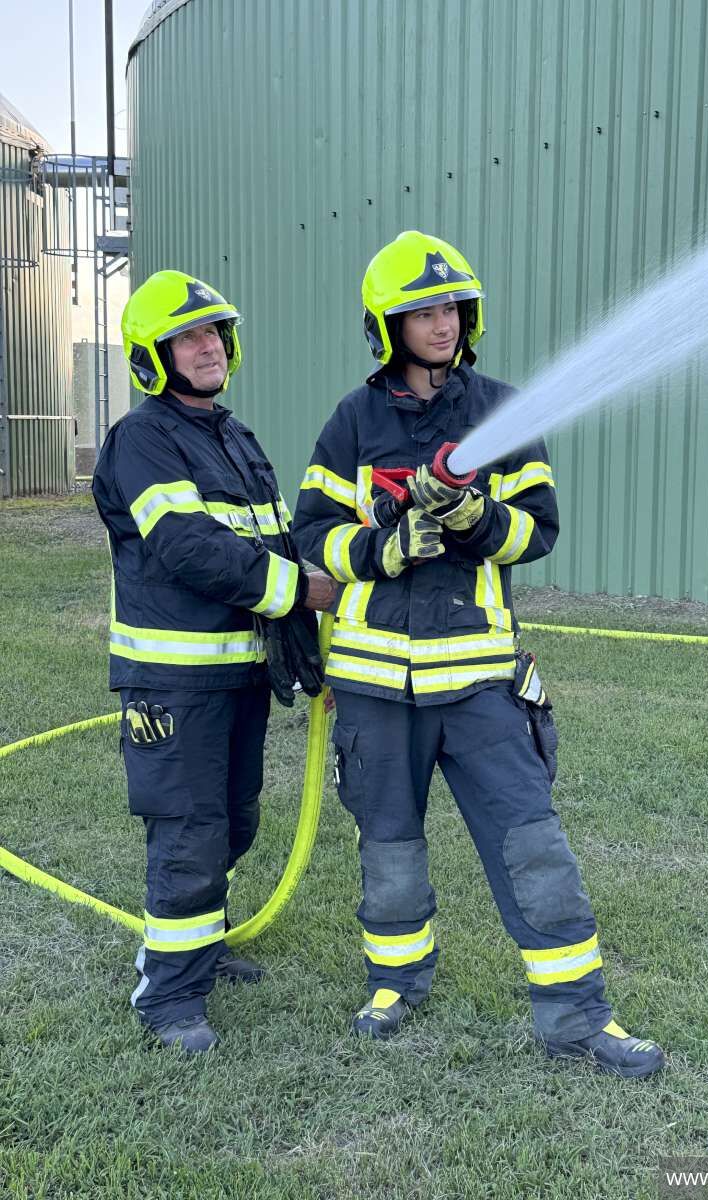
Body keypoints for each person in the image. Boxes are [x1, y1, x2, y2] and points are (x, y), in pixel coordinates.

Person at [292, 231, 665, 1078]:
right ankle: (397, 981)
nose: (441, 323)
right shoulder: (352, 422)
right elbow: (311, 529)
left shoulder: (504, 410)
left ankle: (575, 1017)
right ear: (386, 326)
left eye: (452, 306)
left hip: (481, 688)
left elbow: (540, 529)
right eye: (421, 311)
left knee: (533, 846)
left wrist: (473, 523)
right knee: (388, 846)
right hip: (376, 688)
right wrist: (383, 548)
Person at [92, 270, 335, 1053]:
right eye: (188, 338)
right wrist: (300, 588)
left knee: (235, 819)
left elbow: (271, 539)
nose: (207, 347)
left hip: (238, 675)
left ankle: (203, 940)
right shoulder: (144, 439)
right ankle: (167, 996)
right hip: (174, 683)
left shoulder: (232, 435)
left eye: (214, 333)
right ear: (152, 358)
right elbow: (189, 548)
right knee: (189, 831)